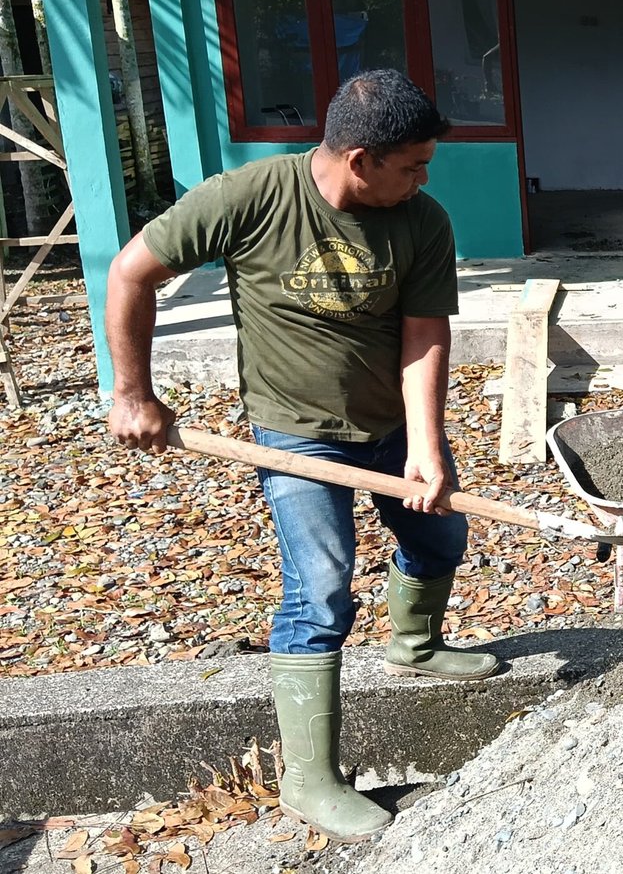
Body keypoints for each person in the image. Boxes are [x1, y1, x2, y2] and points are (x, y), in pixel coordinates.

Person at [105, 68, 497, 843]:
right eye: (412, 166)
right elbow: (131, 272)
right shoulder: (247, 198)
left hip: (389, 424)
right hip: (294, 431)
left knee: (440, 534)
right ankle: (309, 778)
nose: (423, 179)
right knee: (319, 587)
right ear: (360, 161)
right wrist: (133, 394)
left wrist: (426, 447)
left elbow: (425, 334)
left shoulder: (422, 221)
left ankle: (415, 644)